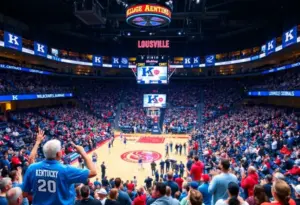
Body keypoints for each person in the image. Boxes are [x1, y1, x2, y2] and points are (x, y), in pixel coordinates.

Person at [22, 139, 97, 205]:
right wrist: (82, 152)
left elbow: (24, 194)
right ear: (58, 153)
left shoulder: (32, 168)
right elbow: (93, 172)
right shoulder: (66, 170)